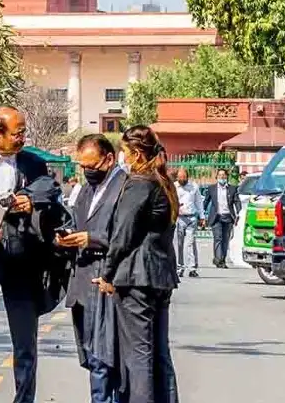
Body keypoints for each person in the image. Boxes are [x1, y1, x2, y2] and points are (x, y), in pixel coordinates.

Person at [0, 106, 59, 403]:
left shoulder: (33, 163)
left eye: (25, 131)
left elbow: (50, 188)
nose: (23, 137)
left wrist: (30, 199)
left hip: (23, 261)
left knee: (25, 341)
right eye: (18, 132)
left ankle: (24, 398)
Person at [97, 125, 179, 403]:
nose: (123, 157)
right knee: (158, 353)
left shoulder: (140, 183)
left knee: (139, 355)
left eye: (125, 151)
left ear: (137, 154)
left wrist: (107, 273)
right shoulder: (162, 182)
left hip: (137, 278)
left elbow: (122, 234)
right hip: (159, 276)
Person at [56, 134, 128, 403]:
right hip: (82, 280)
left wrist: (92, 238)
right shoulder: (85, 190)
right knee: (90, 356)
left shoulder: (124, 186)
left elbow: (127, 235)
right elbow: (77, 222)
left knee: (104, 359)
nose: (87, 172)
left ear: (109, 159)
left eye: (92, 166)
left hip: (107, 278)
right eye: (83, 166)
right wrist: (65, 238)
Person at [203, 168, 241, 268]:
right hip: (216, 217)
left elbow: (237, 201)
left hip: (228, 217)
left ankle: (221, 259)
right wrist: (201, 214)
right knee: (218, 238)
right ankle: (219, 260)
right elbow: (206, 201)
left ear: (227, 176)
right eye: (220, 175)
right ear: (216, 177)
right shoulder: (212, 188)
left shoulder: (232, 188)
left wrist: (238, 212)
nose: (222, 177)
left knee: (225, 239)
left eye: (223, 175)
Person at [172, 168, 204, 278]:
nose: (182, 179)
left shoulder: (194, 187)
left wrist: (202, 217)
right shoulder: (173, 186)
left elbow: (199, 202)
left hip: (191, 218)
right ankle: (179, 268)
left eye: (184, 177)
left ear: (187, 177)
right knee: (178, 244)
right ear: (177, 177)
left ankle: (192, 268)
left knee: (189, 243)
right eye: (180, 177)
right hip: (178, 218)